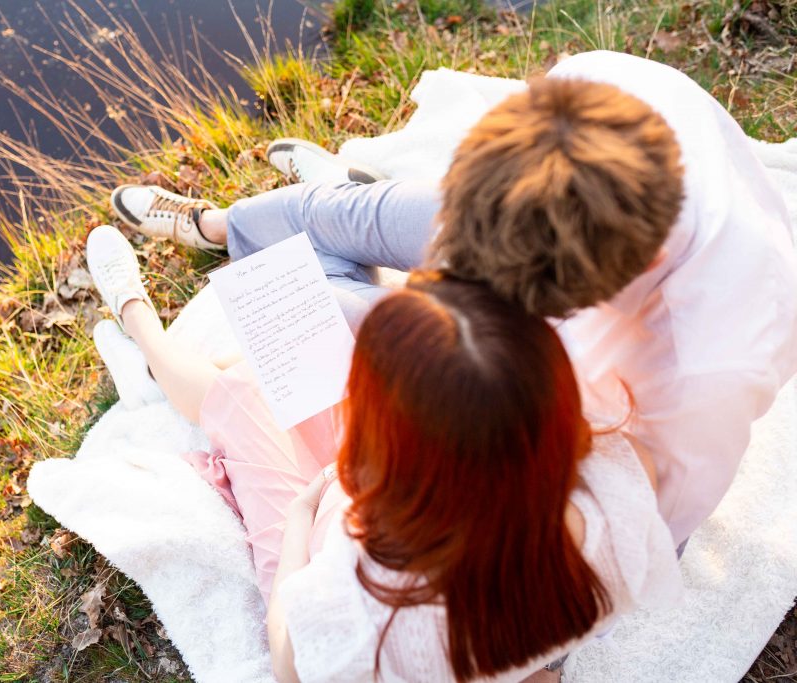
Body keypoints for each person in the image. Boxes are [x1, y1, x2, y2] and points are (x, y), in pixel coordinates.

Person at [106, 51, 797, 548]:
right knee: (345, 215)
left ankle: (285, 271)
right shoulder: (599, 101)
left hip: (508, 389)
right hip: (548, 240)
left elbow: (637, 531)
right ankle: (228, 223)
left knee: (313, 320)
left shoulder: (700, 373)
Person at [84, 224, 681, 682]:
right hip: (464, 569)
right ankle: (168, 361)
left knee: (242, 398)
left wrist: (301, 520)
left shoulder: (374, 595)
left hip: (334, 539)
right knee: (277, 384)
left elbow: (291, 665)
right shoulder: (611, 490)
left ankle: (141, 332)